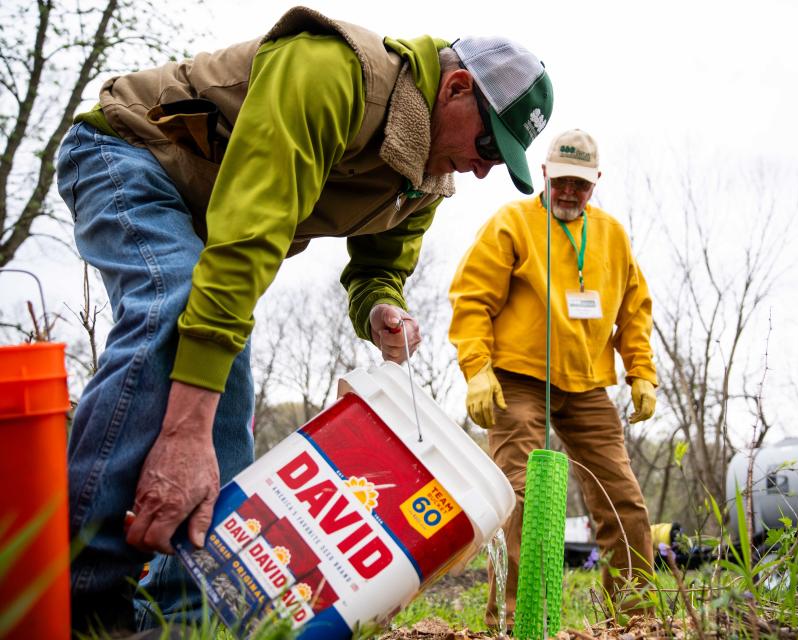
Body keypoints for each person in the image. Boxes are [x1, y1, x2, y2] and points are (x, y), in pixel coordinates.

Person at [55, 6, 553, 633]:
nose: (481, 168)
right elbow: (250, 234)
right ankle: (78, 596)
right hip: (129, 155)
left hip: (210, 217)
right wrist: (182, 436)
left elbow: (379, 270)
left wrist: (380, 308)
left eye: (499, 159)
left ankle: (190, 611)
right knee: (186, 311)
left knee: (224, 366)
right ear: (455, 89)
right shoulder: (333, 72)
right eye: (487, 144)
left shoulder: (423, 179)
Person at [448, 129, 657, 626]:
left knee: (622, 498)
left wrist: (641, 373)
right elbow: (472, 299)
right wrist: (477, 370)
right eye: (561, 180)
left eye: (580, 186)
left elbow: (634, 311)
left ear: (595, 183)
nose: (568, 192)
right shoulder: (512, 224)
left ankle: (634, 620)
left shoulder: (612, 236)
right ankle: (518, 620)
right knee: (520, 492)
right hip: (518, 380)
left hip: (587, 384)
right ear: (543, 174)